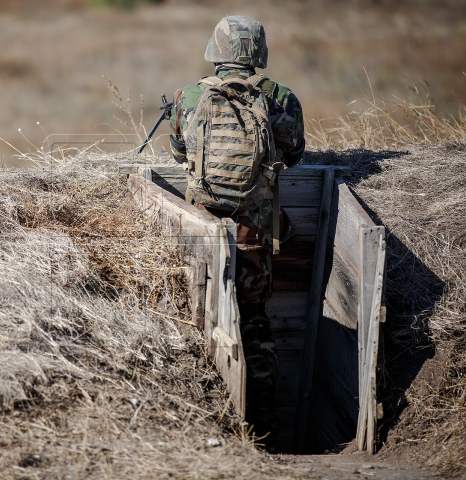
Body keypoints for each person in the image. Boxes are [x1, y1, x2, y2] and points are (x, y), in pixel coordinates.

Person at [168, 15, 305, 437]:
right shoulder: (280, 97)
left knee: (197, 316)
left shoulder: (188, 96)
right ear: (258, 52)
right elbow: (294, 154)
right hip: (256, 228)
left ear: (217, 50)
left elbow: (178, 153)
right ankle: (262, 423)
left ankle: (208, 418)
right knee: (254, 317)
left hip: (201, 224)